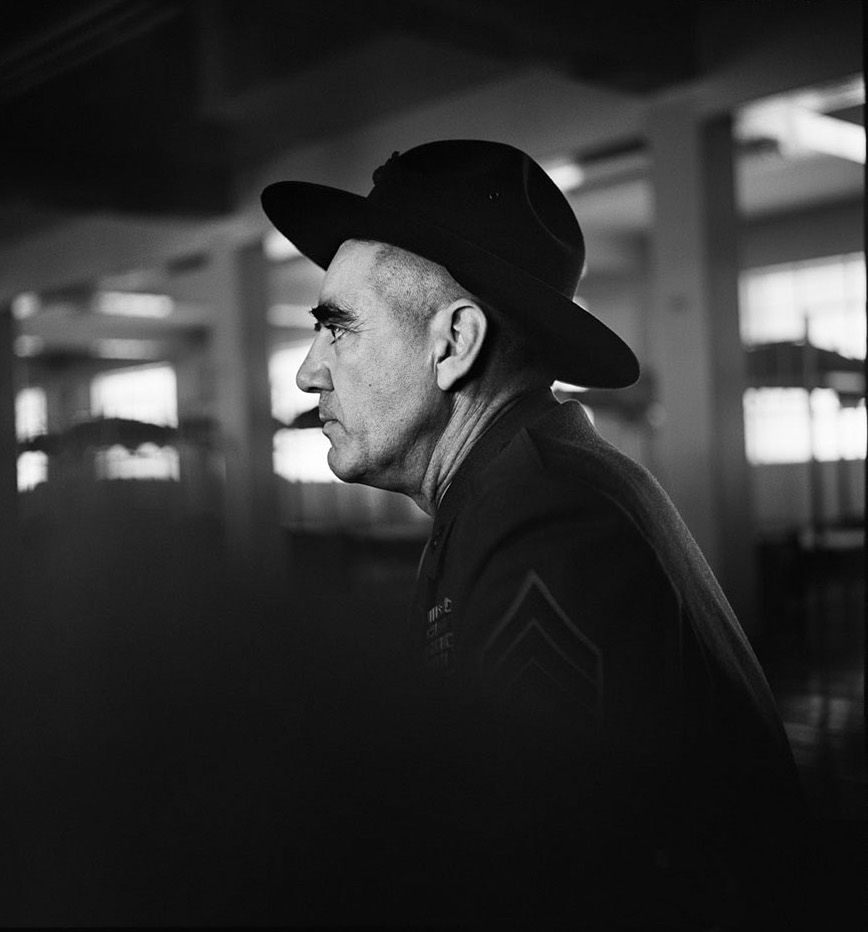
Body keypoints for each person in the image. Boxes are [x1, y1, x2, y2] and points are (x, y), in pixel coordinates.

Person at [261, 139, 807, 925]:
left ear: (453, 344)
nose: (309, 372)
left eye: (337, 328)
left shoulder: (546, 521)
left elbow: (538, 879)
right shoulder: (518, 486)